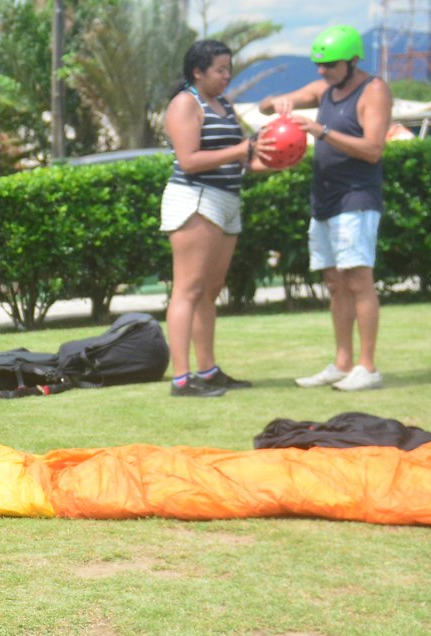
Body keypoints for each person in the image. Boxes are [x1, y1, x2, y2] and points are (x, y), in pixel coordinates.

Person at [259, 24, 392, 391]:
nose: (323, 71)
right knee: (334, 282)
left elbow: (373, 149)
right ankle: (342, 363)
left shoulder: (374, 90)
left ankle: (368, 367)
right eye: (319, 65)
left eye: (331, 65)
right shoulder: (324, 90)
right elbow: (264, 105)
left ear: (352, 61)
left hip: (357, 198)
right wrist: (275, 104)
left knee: (358, 279)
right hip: (325, 199)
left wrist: (322, 132)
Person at [160, 39, 267, 399]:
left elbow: (241, 159)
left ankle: (207, 371)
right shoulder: (185, 103)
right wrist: (241, 149)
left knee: (209, 290)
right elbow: (189, 160)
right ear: (198, 72)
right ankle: (181, 379)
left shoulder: (224, 104)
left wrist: (274, 159)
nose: (227, 75)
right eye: (220, 69)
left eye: (228, 69)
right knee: (188, 289)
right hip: (196, 200)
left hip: (226, 200)